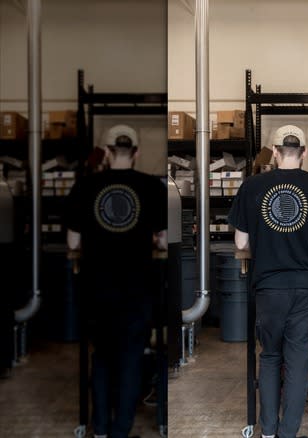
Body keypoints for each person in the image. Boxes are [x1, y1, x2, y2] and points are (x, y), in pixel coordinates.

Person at [229, 125, 308, 438]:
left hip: (268, 285)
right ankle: (287, 434)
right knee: (297, 362)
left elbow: (241, 244)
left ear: (275, 151)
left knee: (270, 356)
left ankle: (267, 431)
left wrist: (269, 243)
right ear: (305, 152)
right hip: (307, 285)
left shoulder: (253, 186)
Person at [65, 124, 166, 438]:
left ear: (106, 152)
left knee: (103, 356)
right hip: (137, 287)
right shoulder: (152, 187)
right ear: (135, 154)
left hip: (97, 288)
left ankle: (101, 430)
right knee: (131, 358)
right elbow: (163, 240)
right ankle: (122, 430)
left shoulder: (85, 187)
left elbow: (72, 242)